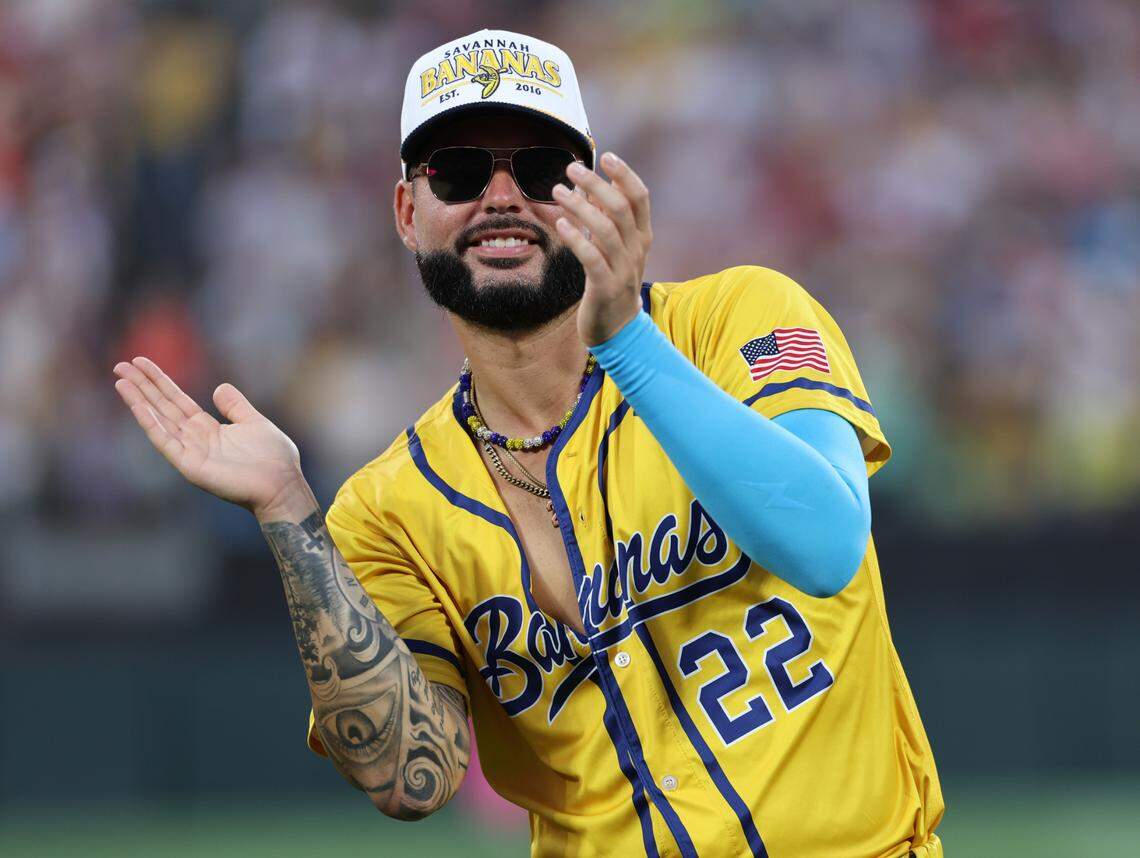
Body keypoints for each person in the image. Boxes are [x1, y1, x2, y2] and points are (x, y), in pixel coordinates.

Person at [113, 28, 943, 858]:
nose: (502, 196)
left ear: (594, 190)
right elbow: (412, 778)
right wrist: (292, 517)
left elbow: (829, 544)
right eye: (460, 171)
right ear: (409, 212)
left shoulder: (739, 317)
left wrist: (629, 346)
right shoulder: (386, 510)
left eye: (541, 168)